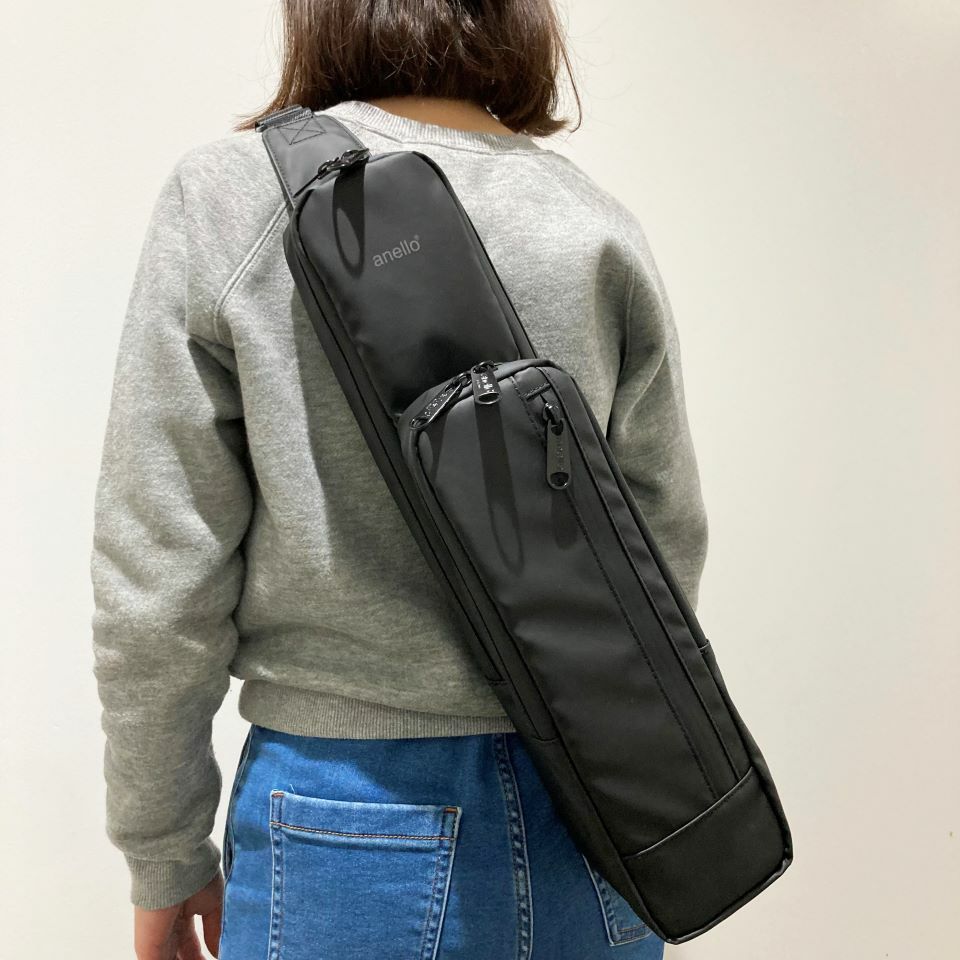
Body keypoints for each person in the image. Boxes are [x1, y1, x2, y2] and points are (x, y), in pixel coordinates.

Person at [89, 1, 709, 958]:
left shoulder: (235, 197)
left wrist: (162, 851)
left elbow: (159, 571)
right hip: (605, 817)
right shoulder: (591, 221)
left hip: (344, 821)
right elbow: (663, 544)